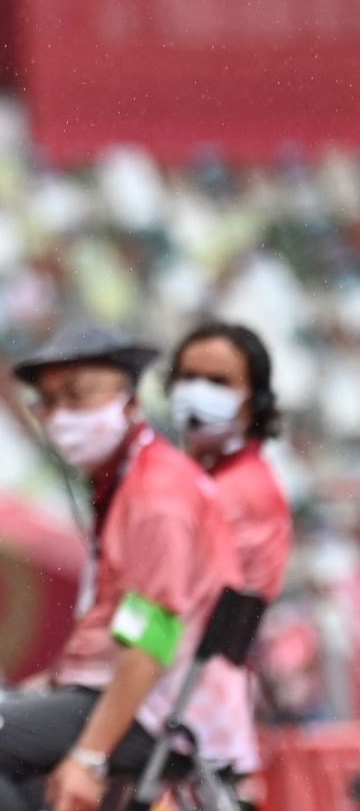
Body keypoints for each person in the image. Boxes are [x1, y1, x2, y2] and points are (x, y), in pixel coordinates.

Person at [0, 324, 244, 811]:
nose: (60, 417)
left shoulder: (156, 495)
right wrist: (48, 689)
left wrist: (89, 757)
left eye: (78, 396)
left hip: (164, 712)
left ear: (131, 401)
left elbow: (152, 638)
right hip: (124, 691)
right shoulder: (119, 484)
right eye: (49, 402)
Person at [167, 321, 293, 781]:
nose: (197, 393)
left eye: (218, 382)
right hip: (160, 692)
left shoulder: (241, 492)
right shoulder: (195, 483)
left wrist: (108, 654)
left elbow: (175, 615)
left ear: (254, 401)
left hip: (183, 707)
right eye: (186, 377)